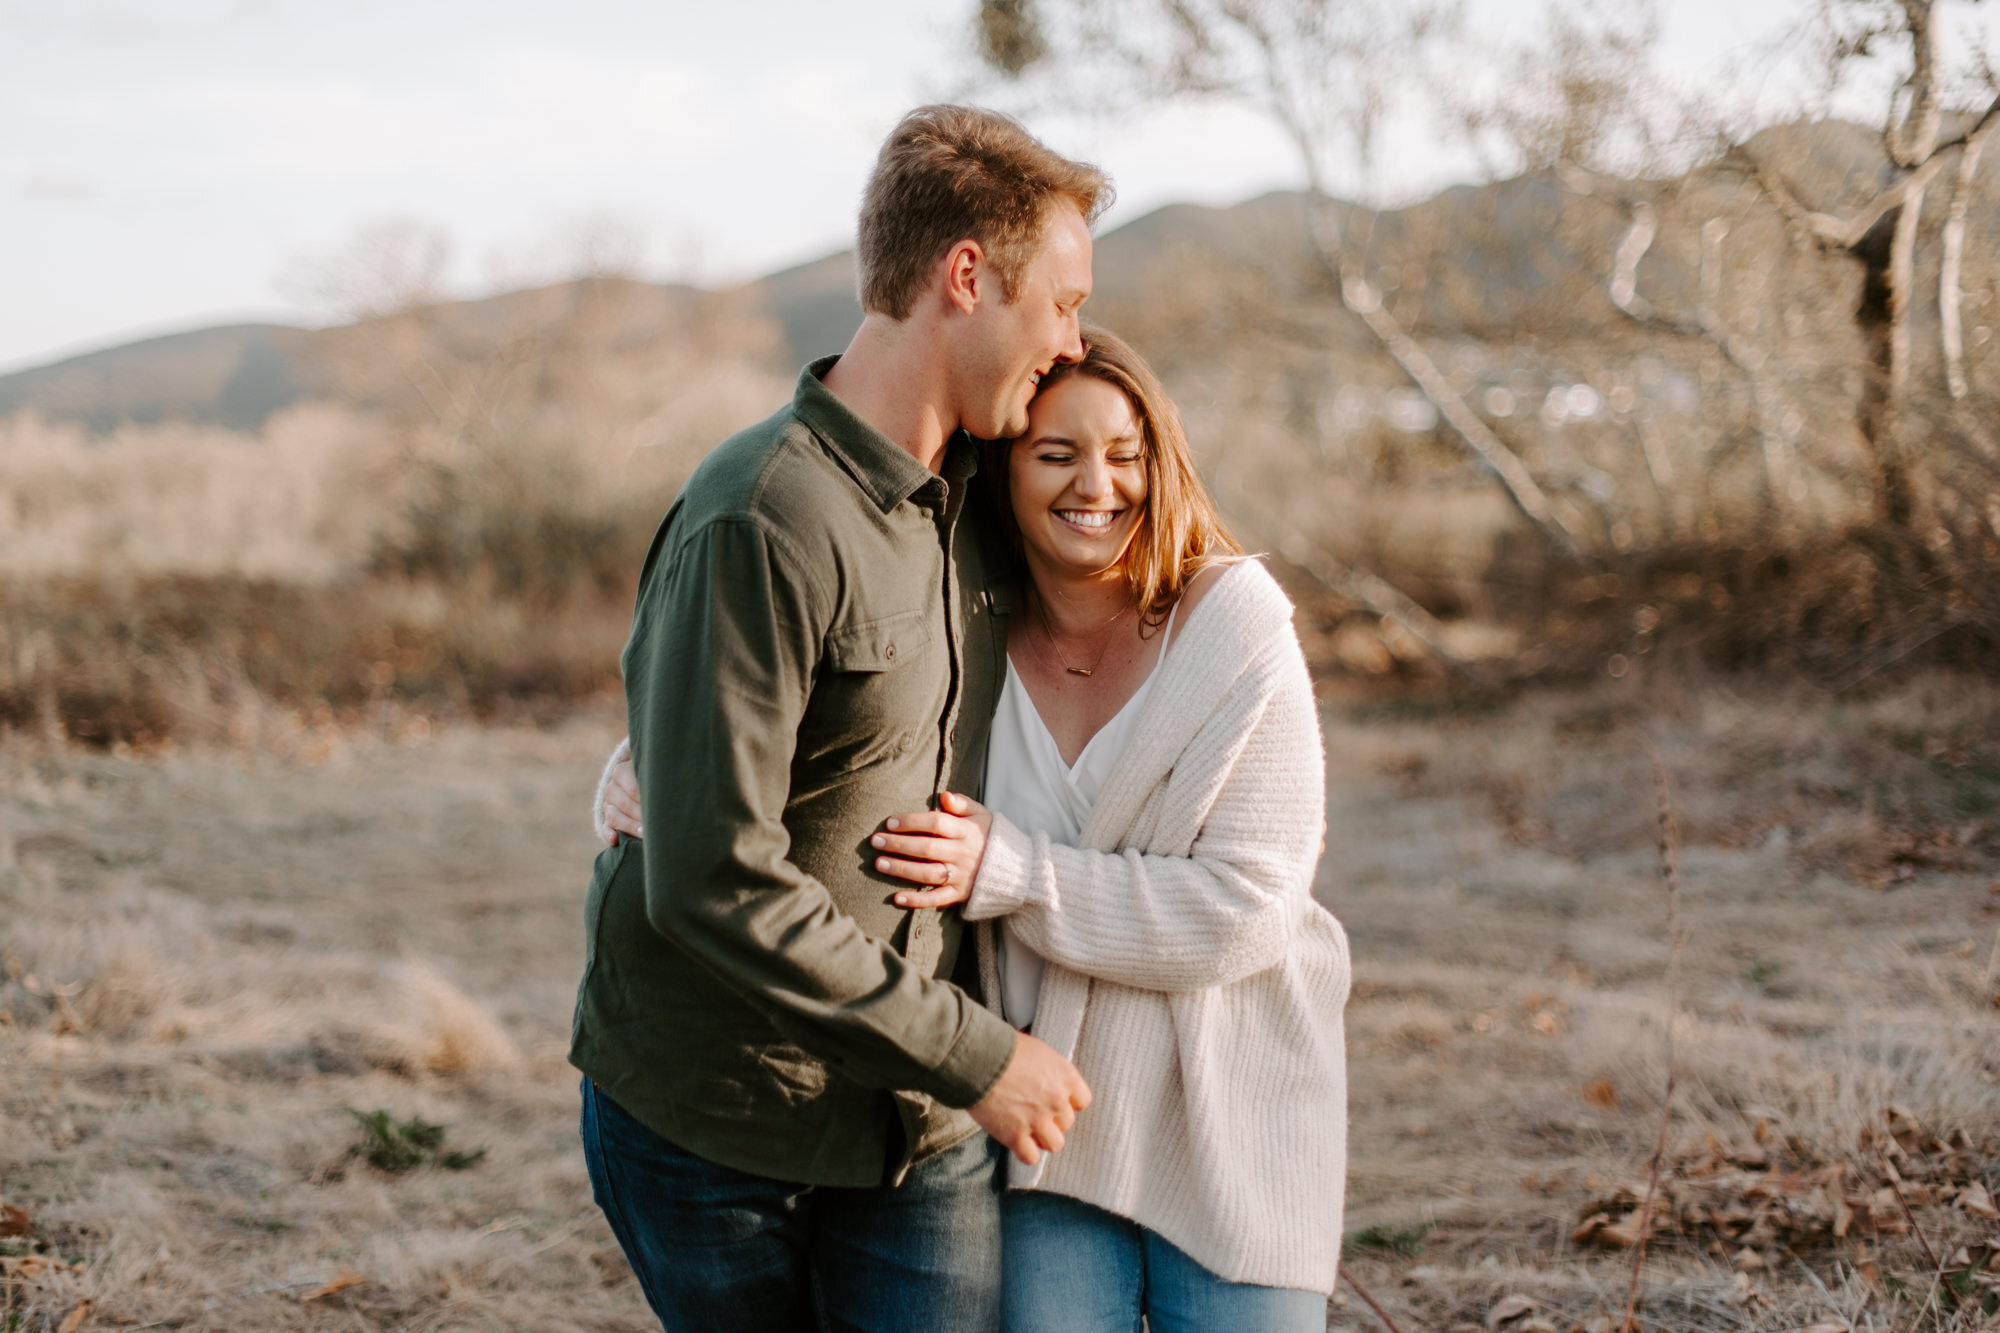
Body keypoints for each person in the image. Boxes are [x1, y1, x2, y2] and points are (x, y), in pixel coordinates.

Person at [600, 329, 1351, 1332]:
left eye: (1125, 453)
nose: (1098, 484)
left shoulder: (1232, 625)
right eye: (1056, 454)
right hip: (1052, 1137)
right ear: (1002, 469)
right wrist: (647, 762)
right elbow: (821, 719)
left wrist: (1014, 872)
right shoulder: (969, 621)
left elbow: (1249, 911)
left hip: (1229, 1111)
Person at [570, 105, 1110, 1333]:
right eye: (1062, 304)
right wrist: (981, 1057)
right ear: (964, 277)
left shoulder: (988, 493)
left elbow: (1131, 491)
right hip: (714, 1122)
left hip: (917, 1132)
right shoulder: (758, 514)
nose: (1071, 344)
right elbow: (712, 878)